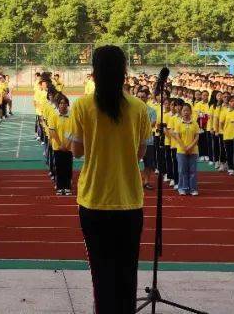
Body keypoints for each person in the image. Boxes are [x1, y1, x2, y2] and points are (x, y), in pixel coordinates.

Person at [70, 45, 151, 314]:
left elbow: (77, 150)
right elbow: (140, 153)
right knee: (127, 271)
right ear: (124, 72)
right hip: (129, 200)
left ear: (94, 72)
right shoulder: (139, 108)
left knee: (100, 271)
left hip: (93, 199)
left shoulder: (82, 106)